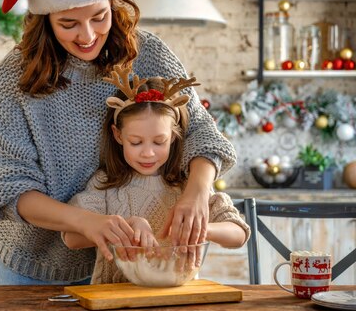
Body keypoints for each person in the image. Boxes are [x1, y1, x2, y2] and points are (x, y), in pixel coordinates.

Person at [0, 0, 237, 285]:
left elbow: (201, 132)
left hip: (129, 264)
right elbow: (11, 189)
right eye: (68, 23)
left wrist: (196, 195)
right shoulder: (16, 76)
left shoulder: (148, 54)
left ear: (114, 6)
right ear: (44, 20)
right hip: (38, 265)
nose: (87, 35)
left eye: (99, 17)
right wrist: (84, 221)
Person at [62, 66, 249, 284]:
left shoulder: (187, 185)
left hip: (176, 303)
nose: (148, 152)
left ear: (174, 135)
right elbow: (71, 238)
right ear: (118, 135)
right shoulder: (105, 184)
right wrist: (129, 226)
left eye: (159, 141)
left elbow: (239, 234)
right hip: (116, 301)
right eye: (136, 142)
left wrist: (196, 229)